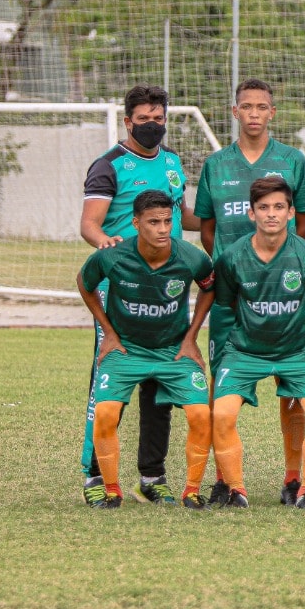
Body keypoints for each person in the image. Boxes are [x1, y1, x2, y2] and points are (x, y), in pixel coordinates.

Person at [194, 78, 305, 507]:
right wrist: (233, 270)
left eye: (261, 107)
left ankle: (293, 478)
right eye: (246, 106)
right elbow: (206, 228)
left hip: (282, 297)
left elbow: (302, 227)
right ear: (235, 112)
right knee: (221, 393)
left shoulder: (292, 160)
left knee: (296, 390)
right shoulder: (216, 164)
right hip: (233, 300)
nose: (254, 114)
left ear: (272, 113)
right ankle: (224, 480)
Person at [78, 84, 200, 507]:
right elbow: (89, 224)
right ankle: (95, 476)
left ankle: (151, 477)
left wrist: (230, 214)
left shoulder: (171, 162)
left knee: (159, 383)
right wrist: (109, 245)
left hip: (168, 288)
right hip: (122, 291)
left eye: (159, 118)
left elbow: (184, 217)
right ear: (128, 121)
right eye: (144, 119)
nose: (153, 125)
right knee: (109, 383)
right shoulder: (108, 165)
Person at [77, 191, 216, 509]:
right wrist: (109, 333)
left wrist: (191, 336)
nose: (163, 229)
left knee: (200, 414)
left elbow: (210, 287)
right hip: (127, 350)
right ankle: (109, 489)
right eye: (154, 222)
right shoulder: (112, 255)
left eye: (168, 221)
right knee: (106, 412)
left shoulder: (191, 257)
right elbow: (84, 284)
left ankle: (189, 492)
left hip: (172, 352)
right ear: (136, 223)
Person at [210, 176, 305, 509]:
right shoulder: (232, 258)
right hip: (244, 351)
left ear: (291, 212)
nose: (271, 214)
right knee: (221, 414)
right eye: (263, 208)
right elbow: (230, 301)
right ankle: (236, 490)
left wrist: (286, 326)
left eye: (279, 207)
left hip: (297, 351)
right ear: (251, 214)